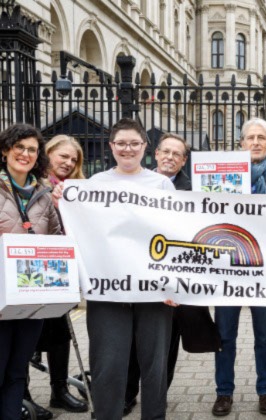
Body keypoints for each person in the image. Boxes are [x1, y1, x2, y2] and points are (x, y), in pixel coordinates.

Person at [52, 118, 177, 419]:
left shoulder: (161, 183)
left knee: (154, 365)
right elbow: (82, 232)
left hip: (153, 290)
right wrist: (63, 203)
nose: (127, 149)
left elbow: (173, 235)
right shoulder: (95, 185)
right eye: (121, 143)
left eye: (134, 143)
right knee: (108, 365)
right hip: (108, 290)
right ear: (111, 146)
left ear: (145, 147)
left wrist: (175, 284)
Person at [211, 118, 266, 417]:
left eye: (261, 138)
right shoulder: (223, 175)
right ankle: (224, 392)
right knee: (224, 336)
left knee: (265, 336)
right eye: (249, 137)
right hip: (228, 268)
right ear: (240, 143)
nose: (255, 142)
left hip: (265, 270)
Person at [124, 133, 192, 415]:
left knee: (166, 344)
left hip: (172, 280)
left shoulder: (193, 190)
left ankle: (158, 395)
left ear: (184, 160)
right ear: (156, 154)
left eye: (177, 154)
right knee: (131, 341)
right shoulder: (134, 182)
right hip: (136, 275)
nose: (170, 158)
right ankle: (127, 394)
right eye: (166, 151)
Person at [23, 135, 88, 420]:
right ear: (48, 154)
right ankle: (21, 396)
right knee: (24, 335)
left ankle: (58, 390)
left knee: (60, 332)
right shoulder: (31, 186)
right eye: (63, 156)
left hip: (61, 270)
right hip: (31, 269)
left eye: (74, 159)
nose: (68, 163)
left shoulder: (76, 189)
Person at [0, 124, 62, 419]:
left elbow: (59, 239)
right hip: (0, 298)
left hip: (32, 298)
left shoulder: (44, 195)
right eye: (19, 147)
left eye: (32, 150)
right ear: (5, 150)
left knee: (16, 372)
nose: (25, 154)